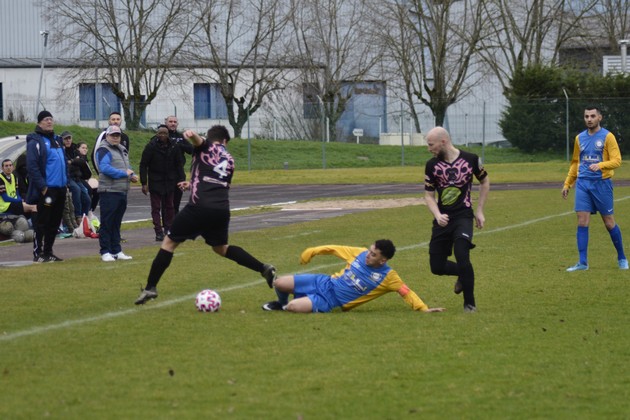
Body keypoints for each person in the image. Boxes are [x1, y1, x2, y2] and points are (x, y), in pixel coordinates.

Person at [134, 125, 277, 305]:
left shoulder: (207, 146)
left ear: (212, 138)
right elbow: (214, 180)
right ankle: (263, 268)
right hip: (221, 209)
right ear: (225, 141)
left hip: (199, 206)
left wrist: (192, 135)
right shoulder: (229, 159)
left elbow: (199, 142)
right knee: (221, 248)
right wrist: (192, 184)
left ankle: (150, 287)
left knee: (169, 243)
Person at [261, 240, 445, 313]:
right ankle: (281, 303)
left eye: (373, 254)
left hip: (331, 300)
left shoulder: (389, 277)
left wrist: (423, 308)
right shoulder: (360, 253)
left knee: (293, 307)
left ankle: (290, 304)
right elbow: (334, 249)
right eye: (370, 251)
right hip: (324, 281)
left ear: (383, 260)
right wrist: (314, 250)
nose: (368, 255)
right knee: (279, 283)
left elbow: (406, 292)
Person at [424, 126, 490, 313]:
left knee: (462, 254)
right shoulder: (431, 165)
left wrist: (479, 210)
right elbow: (428, 195)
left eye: (431, 144)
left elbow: (484, 181)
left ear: (443, 141)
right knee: (436, 267)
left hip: (463, 216)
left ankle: (470, 304)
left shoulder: (471, 159)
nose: (429, 149)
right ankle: (463, 273)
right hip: (443, 219)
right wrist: (437, 215)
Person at [562, 106, 627, 271]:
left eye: (592, 116)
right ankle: (582, 263)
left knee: (609, 223)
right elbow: (575, 163)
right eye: (586, 116)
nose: (589, 119)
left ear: (599, 118)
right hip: (583, 183)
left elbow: (617, 160)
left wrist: (601, 165)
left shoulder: (608, 137)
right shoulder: (579, 138)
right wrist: (568, 183)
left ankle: (622, 257)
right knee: (582, 221)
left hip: (601, 184)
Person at [25, 110, 67, 262]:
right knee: (42, 221)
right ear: (39, 123)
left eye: (51, 119)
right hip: (48, 190)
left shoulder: (57, 140)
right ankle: (38, 253)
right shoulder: (35, 142)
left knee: (55, 222)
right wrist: (43, 187)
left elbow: (63, 164)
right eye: (45, 119)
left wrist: (66, 182)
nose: (49, 121)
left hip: (61, 189)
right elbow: (32, 167)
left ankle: (48, 251)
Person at [96, 125, 138, 262]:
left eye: (117, 135)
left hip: (121, 190)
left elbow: (127, 167)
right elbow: (104, 168)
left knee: (116, 223)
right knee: (107, 222)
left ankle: (116, 250)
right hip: (109, 190)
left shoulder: (122, 149)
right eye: (113, 135)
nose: (115, 137)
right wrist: (124, 174)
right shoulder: (103, 149)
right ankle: (105, 251)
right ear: (107, 136)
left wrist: (131, 175)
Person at [139, 125, 185, 241]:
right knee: (156, 207)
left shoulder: (174, 146)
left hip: (170, 180)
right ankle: (158, 231)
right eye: (160, 133)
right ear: (157, 134)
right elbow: (143, 164)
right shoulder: (151, 146)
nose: (163, 135)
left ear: (168, 135)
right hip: (155, 181)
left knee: (170, 206)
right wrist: (144, 183)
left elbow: (179, 164)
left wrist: (182, 179)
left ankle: (168, 229)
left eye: (165, 133)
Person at [165, 115, 192, 213]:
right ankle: (166, 220)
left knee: (176, 202)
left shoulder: (180, 137)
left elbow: (191, 150)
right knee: (167, 202)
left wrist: (178, 145)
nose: (173, 123)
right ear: (166, 123)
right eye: (170, 121)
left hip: (179, 172)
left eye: (175, 122)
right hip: (166, 173)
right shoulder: (162, 136)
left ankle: (175, 219)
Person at [62, 131, 90, 224]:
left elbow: (82, 161)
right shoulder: (61, 150)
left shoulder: (75, 149)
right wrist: (75, 161)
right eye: (66, 139)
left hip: (77, 177)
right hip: (68, 177)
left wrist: (72, 161)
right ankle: (78, 216)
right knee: (76, 190)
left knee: (87, 198)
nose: (68, 140)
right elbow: (66, 166)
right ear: (62, 140)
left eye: (69, 138)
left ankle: (85, 217)